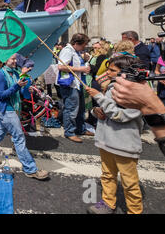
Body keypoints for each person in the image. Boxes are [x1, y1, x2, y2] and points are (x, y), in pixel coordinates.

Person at [85, 56, 145, 214]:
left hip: (123, 144)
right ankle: (108, 203)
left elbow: (120, 115)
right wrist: (96, 111)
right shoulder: (112, 87)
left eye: (113, 70)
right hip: (106, 141)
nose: (108, 72)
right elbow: (106, 110)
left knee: (129, 182)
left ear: (125, 72)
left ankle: (135, 210)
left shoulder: (136, 91)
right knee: (107, 175)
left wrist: (98, 96)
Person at [0, 53, 49, 180]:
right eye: (12, 59)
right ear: (5, 60)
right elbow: (1, 95)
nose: (15, 60)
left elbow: (23, 93)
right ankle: (30, 169)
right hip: (6, 109)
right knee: (19, 138)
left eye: (15, 59)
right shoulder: (0, 74)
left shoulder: (15, 72)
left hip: (13, 107)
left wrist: (25, 80)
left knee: (0, 132)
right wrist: (17, 85)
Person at [56, 33, 93, 143]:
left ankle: (80, 128)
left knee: (81, 108)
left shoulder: (76, 51)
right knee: (71, 108)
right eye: (84, 45)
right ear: (77, 43)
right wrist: (81, 69)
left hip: (78, 83)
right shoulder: (67, 50)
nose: (84, 47)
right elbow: (61, 66)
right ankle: (69, 132)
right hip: (70, 84)